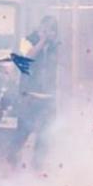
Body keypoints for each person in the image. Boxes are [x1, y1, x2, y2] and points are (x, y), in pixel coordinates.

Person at [7, 16, 59, 168]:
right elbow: (27, 57)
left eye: (52, 29)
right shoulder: (27, 40)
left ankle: (38, 163)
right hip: (29, 93)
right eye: (46, 27)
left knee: (45, 130)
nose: (49, 31)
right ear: (40, 26)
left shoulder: (55, 44)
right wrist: (42, 41)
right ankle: (12, 154)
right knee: (24, 128)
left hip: (48, 94)